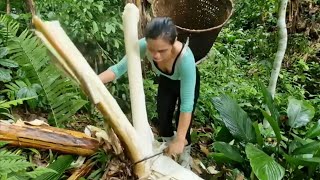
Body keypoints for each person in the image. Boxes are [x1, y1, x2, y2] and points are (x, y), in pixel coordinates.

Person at [98, 17, 200, 168]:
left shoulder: (185, 59)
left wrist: (179, 139)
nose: (156, 56)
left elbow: (186, 105)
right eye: (152, 50)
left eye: (162, 51)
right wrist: (93, 79)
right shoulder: (142, 46)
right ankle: (167, 149)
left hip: (186, 80)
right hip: (166, 80)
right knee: (163, 115)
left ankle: (184, 154)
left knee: (182, 122)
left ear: (174, 41)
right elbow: (118, 69)